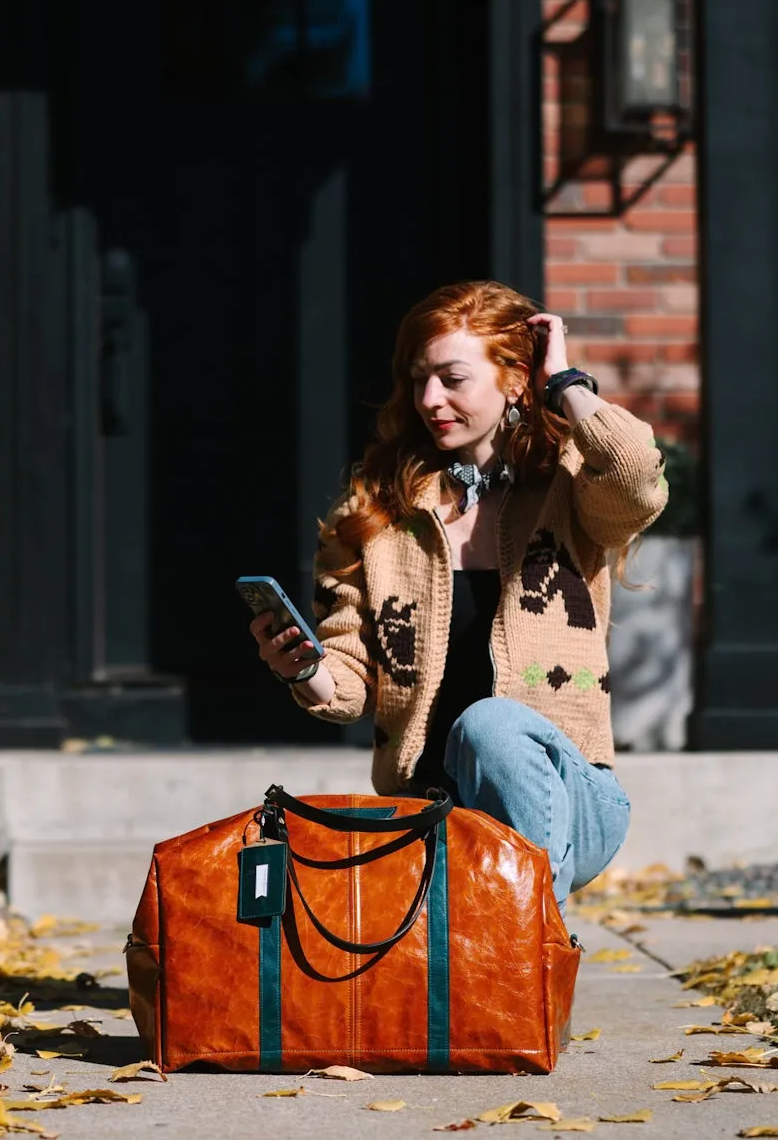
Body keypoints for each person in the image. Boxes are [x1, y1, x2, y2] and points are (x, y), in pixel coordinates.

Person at [249, 280, 667, 909]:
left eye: (452, 378)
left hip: (570, 799)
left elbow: (636, 475)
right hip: (429, 810)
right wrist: (303, 669)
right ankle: (515, 949)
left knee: (489, 725)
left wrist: (564, 382)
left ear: (513, 381)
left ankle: (529, 947)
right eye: (418, 379)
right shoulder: (373, 515)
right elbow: (350, 679)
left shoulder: (570, 493)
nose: (428, 399)